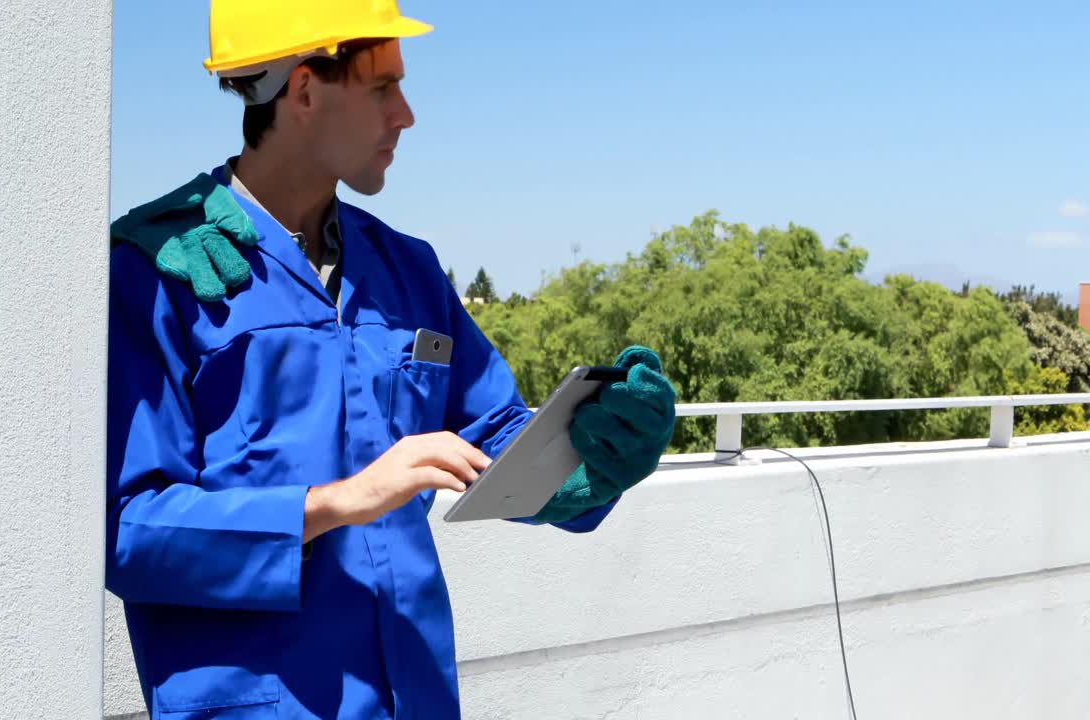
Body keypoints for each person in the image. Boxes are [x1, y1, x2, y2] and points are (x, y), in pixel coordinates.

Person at [105, 1, 678, 718]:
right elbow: (128, 531)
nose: (406, 115)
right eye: (383, 88)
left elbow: (495, 438)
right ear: (304, 90)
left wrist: (596, 452)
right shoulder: (160, 270)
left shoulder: (407, 270)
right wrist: (336, 504)